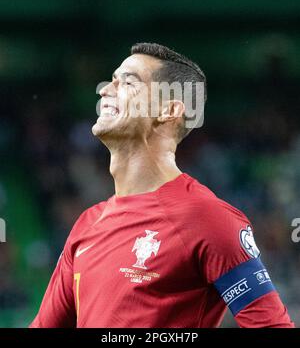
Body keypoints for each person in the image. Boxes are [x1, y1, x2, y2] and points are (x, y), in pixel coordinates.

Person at [30, 42, 294, 328]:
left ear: (168, 111)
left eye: (128, 82)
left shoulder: (208, 219)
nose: (105, 90)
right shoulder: (86, 225)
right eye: (111, 81)